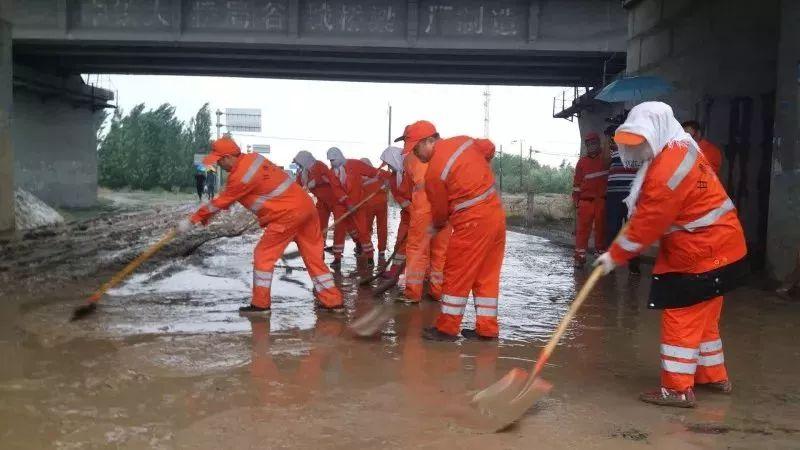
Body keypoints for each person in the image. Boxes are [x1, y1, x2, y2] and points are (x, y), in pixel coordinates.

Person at [596, 102, 748, 408]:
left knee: (680, 316)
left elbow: (648, 223)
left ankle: (677, 389)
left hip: (701, 253)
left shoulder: (667, 169)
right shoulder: (682, 146)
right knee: (704, 321)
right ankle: (713, 376)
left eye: (640, 142)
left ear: (657, 132)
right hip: (724, 247)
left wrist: (613, 255)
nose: (636, 150)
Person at [177, 137, 344, 315]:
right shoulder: (254, 159)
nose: (219, 165)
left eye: (219, 161)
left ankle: (260, 305)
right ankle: (333, 302)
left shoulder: (241, 176)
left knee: (263, 255)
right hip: (306, 208)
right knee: (314, 259)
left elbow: (220, 202)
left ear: (227, 157)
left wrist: (193, 220)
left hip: (287, 214)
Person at [396, 120, 503, 341]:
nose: (416, 155)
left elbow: (441, 212)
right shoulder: (464, 141)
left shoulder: (433, 173)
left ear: (429, 141)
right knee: (486, 274)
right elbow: (489, 147)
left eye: (416, 149)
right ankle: (487, 329)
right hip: (496, 216)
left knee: (456, 272)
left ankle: (446, 328)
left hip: (472, 222)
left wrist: (436, 226)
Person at [392, 124, 451, 304]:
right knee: (440, 252)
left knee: (417, 251)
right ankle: (436, 291)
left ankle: (412, 294)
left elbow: (405, 190)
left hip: (423, 209)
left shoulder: (410, 158)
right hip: (445, 207)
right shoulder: (447, 153)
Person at [292, 150, 373, 269]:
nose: (298, 166)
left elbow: (329, 177)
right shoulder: (302, 174)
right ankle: (328, 255)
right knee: (320, 228)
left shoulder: (319, 165)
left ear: (305, 161)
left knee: (345, 227)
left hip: (336, 201)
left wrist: (318, 181)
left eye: (299, 163)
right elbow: (296, 188)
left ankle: (358, 243)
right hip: (322, 203)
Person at [326, 147, 389, 267]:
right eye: (330, 160)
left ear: (339, 157)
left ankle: (370, 257)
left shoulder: (355, 164)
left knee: (363, 230)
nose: (331, 162)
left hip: (358, 204)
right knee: (339, 231)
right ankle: (337, 258)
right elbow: (337, 190)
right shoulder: (331, 172)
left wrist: (384, 178)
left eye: (333, 160)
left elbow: (372, 171)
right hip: (341, 205)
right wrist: (347, 203)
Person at [604, 124, 641, 274]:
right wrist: (607, 142)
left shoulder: (638, 152)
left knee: (633, 231)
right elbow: (604, 163)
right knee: (612, 230)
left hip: (632, 196)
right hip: (614, 196)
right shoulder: (612, 152)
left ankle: (634, 264)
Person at [377, 146, 413, 285]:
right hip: (407, 213)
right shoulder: (394, 177)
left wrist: (416, 210)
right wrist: (405, 205)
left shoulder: (412, 171)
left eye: (389, 163)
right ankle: (396, 270)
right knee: (401, 241)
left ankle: (424, 274)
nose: (389, 167)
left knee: (420, 245)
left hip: (421, 213)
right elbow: (398, 194)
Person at [572, 132, 609, 267]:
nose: (591, 146)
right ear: (586, 146)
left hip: (602, 201)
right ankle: (579, 258)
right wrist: (576, 201)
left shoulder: (605, 160)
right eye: (589, 144)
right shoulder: (582, 162)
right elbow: (576, 184)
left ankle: (600, 258)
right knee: (582, 231)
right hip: (585, 202)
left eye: (594, 143)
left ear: (599, 144)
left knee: (601, 231)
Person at [360, 158, 391, 266]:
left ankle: (375, 252)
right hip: (374, 205)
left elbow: (392, 178)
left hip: (374, 205)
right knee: (378, 228)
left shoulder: (362, 177)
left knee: (368, 229)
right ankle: (377, 252)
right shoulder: (378, 173)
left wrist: (387, 183)